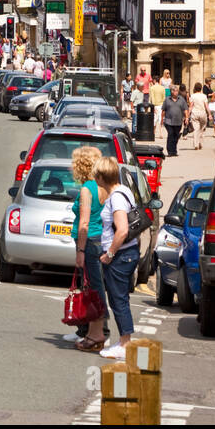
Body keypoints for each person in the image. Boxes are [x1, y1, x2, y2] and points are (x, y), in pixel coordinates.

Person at [94, 155, 140, 360]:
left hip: (120, 256)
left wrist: (109, 255)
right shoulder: (123, 191)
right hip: (125, 254)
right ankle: (124, 341)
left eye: (97, 176)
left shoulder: (117, 197)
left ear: (103, 177)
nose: (95, 180)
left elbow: (121, 230)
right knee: (118, 298)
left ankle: (125, 343)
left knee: (119, 299)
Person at [66, 146, 108, 352]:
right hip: (100, 240)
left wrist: (80, 251)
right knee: (94, 286)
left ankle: (96, 333)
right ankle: (90, 330)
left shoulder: (87, 189)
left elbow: (83, 223)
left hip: (89, 242)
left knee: (92, 288)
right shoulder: (103, 187)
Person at [162, 84, 188, 157]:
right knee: (170, 135)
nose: (176, 92)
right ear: (171, 92)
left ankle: (174, 150)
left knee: (176, 136)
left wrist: (187, 118)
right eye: (175, 91)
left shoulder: (181, 99)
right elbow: (163, 110)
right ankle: (170, 151)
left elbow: (185, 109)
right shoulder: (167, 99)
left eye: (177, 91)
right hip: (168, 121)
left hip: (178, 121)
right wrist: (162, 119)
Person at [189, 82, 209, 149]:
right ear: (201, 88)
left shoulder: (192, 96)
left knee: (196, 129)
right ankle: (200, 142)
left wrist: (187, 115)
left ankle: (196, 144)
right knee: (202, 129)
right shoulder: (204, 96)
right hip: (202, 113)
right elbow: (206, 106)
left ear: (195, 88)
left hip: (195, 113)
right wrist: (209, 114)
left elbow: (191, 106)